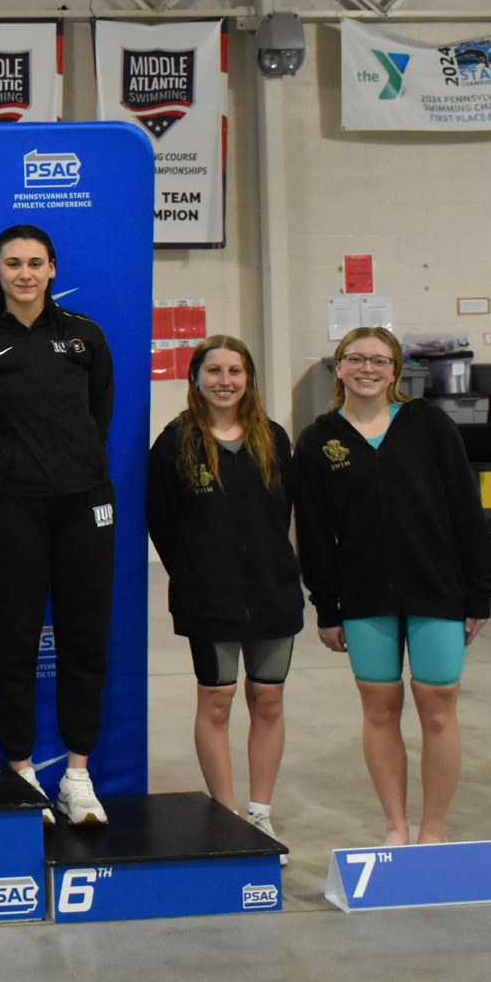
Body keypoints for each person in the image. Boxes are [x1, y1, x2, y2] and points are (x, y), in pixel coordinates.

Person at [296, 327, 491, 845]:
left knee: (438, 709)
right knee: (380, 710)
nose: (368, 369)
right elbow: (314, 532)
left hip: (437, 591)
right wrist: (327, 607)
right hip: (365, 598)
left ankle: (433, 829)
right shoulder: (319, 439)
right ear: (339, 368)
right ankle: (396, 825)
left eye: (380, 361)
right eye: (357, 359)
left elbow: (464, 509)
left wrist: (479, 593)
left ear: (396, 370)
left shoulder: (428, 424)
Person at [0, 224, 115, 826]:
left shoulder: (85, 337)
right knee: (15, 643)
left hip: (85, 508)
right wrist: (1, 485)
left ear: (52, 270)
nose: (24, 273)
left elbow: (99, 416)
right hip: (14, 508)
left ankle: (77, 775)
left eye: (35, 262)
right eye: (12, 263)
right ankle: (20, 772)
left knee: (84, 642)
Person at [146, 335, 303, 857]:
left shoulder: (273, 439)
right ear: (195, 378)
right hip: (208, 598)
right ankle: (227, 813)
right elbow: (162, 523)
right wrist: (195, 573)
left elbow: (282, 515)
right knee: (217, 701)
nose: (224, 381)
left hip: (272, 594)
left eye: (235, 371)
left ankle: (260, 812)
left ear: (248, 379)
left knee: (268, 699)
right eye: (213, 370)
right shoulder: (175, 442)